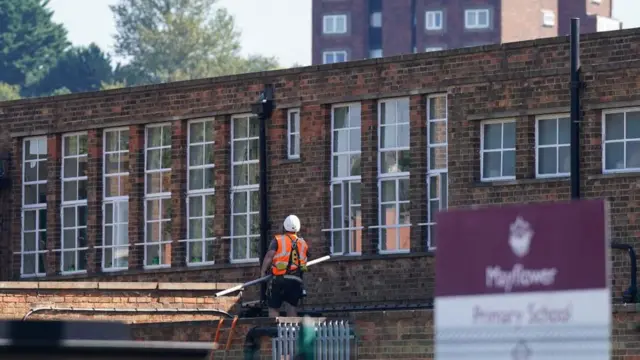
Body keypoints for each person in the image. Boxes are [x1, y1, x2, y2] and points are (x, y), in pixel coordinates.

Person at [260, 214, 310, 317]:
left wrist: (263, 272)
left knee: (274, 308)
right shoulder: (303, 243)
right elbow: (305, 258)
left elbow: (269, 256)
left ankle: (274, 331)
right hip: (296, 280)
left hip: (279, 279)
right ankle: (293, 331)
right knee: (291, 307)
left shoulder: (278, 240)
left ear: (284, 226)